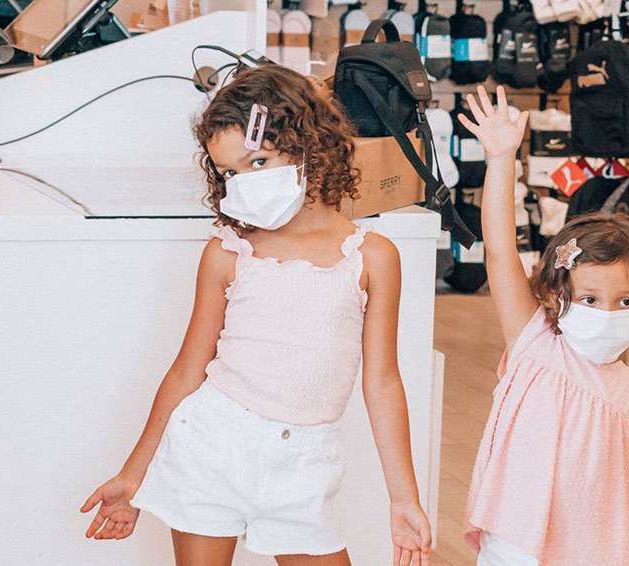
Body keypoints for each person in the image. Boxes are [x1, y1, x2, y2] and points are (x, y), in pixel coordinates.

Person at [80, 65, 432, 566]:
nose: (243, 183)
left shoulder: (371, 257)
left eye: (259, 160)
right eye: (229, 173)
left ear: (308, 145)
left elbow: (383, 383)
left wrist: (404, 499)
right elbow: (187, 371)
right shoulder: (228, 253)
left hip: (305, 466)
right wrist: (133, 476)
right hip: (211, 450)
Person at [455, 85, 629, 566]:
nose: (608, 314)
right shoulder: (534, 343)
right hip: (517, 542)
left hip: (597, 552)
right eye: (591, 298)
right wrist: (501, 157)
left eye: (627, 301)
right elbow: (499, 249)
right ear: (557, 297)